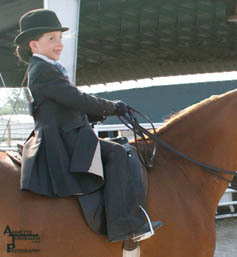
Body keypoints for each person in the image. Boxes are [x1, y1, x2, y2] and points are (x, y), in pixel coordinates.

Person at [14, 8, 162, 243]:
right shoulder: (43, 70)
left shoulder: (45, 68)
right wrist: (111, 107)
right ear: (34, 45)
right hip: (62, 139)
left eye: (60, 38)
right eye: (51, 38)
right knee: (120, 153)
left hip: (67, 131)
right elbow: (76, 98)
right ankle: (126, 225)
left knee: (121, 145)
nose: (59, 44)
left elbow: (65, 105)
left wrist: (94, 116)